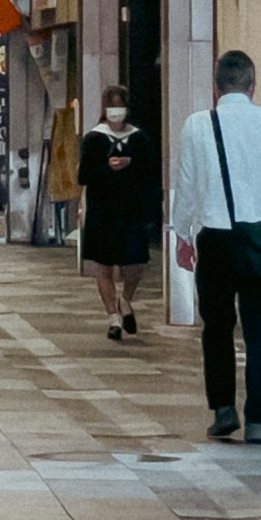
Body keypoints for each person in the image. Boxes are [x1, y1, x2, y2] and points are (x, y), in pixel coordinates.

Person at [172, 46, 261, 445]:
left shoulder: (198, 125)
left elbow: (187, 185)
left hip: (216, 238)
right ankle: (258, 422)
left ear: (216, 88)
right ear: (252, 86)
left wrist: (182, 235)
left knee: (217, 327)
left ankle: (223, 409)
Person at [78, 86, 157, 336]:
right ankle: (113, 318)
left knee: (136, 263)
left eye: (120, 106)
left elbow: (150, 173)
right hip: (102, 210)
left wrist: (130, 164)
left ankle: (126, 299)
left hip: (132, 210)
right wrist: (107, 167)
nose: (116, 111)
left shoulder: (138, 138)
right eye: (111, 106)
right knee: (104, 266)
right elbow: (84, 175)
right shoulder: (94, 138)